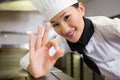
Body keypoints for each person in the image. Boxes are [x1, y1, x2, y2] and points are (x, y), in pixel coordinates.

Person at [20, 0, 120, 80]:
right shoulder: (64, 42)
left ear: (81, 9)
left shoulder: (112, 27)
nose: (65, 30)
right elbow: (25, 60)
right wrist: (34, 69)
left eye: (67, 17)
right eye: (56, 24)